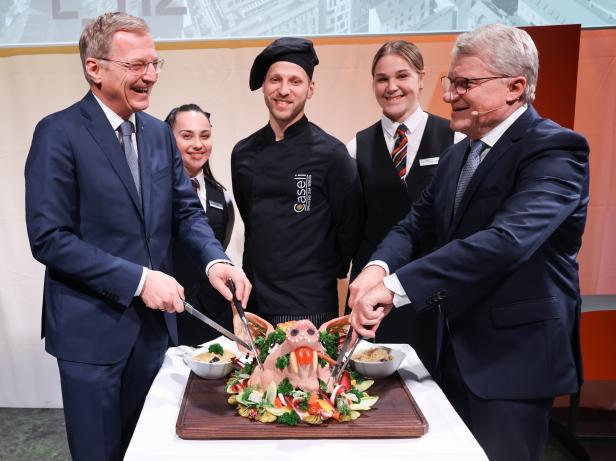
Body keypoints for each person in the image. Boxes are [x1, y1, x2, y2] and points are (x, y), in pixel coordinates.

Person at [349, 24, 589, 461]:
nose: (449, 95)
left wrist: (394, 288)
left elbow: (505, 241)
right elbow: (414, 225)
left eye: (466, 84)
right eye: (450, 82)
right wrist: (375, 269)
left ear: (515, 87)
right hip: (450, 351)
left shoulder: (555, 149)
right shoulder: (462, 152)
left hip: (511, 364)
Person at [24, 12, 250, 461]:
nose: (150, 76)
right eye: (136, 65)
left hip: (154, 336)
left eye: (154, 63)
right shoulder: (58, 133)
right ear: (95, 68)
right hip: (91, 336)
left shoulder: (158, 135)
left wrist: (215, 260)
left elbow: (185, 212)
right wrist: (141, 280)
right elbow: (49, 238)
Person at [232, 37, 364, 327]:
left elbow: (349, 229)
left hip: (311, 302)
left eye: (295, 81)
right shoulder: (243, 153)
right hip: (255, 302)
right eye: (275, 80)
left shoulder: (331, 153)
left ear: (310, 89)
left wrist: (323, 270)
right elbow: (250, 220)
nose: (283, 90)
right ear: (264, 86)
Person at [347, 40, 457, 368]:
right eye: (382, 79)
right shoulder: (355, 147)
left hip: (433, 287)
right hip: (371, 289)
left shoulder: (456, 139)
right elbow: (348, 221)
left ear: (421, 78)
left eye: (402, 76)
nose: (392, 87)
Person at [165, 104, 235, 346]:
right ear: (168, 138)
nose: (198, 144)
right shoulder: (152, 194)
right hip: (165, 314)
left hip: (211, 318)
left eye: (204, 136)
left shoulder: (222, 196)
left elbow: (217, 248)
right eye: (187, 136)